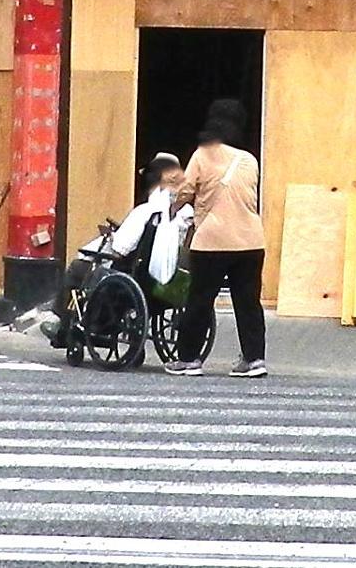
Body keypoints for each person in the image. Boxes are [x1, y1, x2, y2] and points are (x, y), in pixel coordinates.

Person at [49, 154, 193, 350]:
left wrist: (113, 236)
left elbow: (121, 249)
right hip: (166, 278)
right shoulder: (186, 215)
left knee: (77, 268)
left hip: (136, 274)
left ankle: (63, 325)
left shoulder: (146, 212)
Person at [167, 100, 267, 378]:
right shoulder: (249, 159)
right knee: (248, 303)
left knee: (200, 300)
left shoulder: (203, 154)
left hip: (212, 242)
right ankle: (254, 359)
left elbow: (185, 191)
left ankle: (189, 359)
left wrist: (173, 207)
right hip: (251, 242)